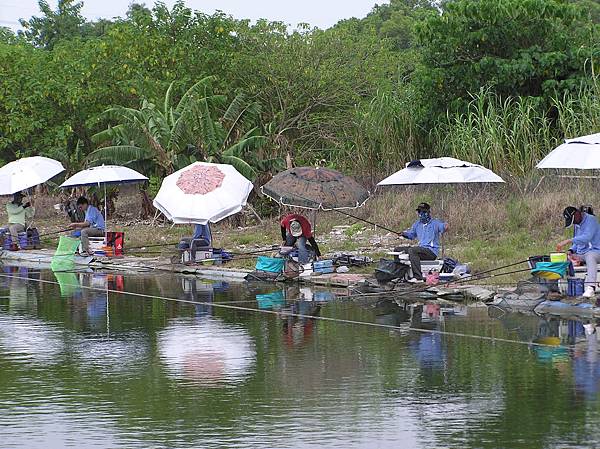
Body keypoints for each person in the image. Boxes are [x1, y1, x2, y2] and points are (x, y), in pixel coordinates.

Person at [557, 206, 600, 298]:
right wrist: (571, 251)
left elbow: (586, 238)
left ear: (577, 213)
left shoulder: (591, 220)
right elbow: (577, 242)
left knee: (590, 256)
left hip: (596, 251)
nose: (574, 223)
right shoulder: (577, 224)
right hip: (582, 253)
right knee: (564, 256)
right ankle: (557, 286)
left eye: (573, 221)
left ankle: (591, 287)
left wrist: (568, 240)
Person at [400, 202, 448, 283]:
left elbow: (443, 226)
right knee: (398, 249)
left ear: (428, 212)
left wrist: (446, 226)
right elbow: (411, 235)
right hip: (421, 250)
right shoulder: (417, 224)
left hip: (431, 252)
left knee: (413, 250)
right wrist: (404, 234)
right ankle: (399, 275)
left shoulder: (435, 223)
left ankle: (418, 277)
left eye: (423, 212)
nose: (421, 214)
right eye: (419, 212)